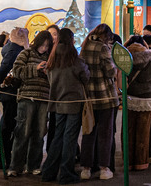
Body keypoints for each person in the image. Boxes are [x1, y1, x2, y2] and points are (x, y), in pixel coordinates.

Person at [40, 28, 89, 185]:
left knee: (57, 137)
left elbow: (48, 74)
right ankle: (66, 173)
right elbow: (85, 76)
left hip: (57, 103)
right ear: (71, 39)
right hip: (73, 103)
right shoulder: (74, 58)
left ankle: (48, 171)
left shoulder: (52, 58)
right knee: (70, 138)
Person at [9, 30, 53, 177]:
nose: (44, 48)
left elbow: (54, 79)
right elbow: (17, 71)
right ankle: (15, 166)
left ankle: (33, 165)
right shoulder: (26, 54)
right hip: (26, 97)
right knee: (22, 131)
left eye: (47, 46)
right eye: (43, 44)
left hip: (43, 98)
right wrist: (35, 68)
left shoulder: (51, 57)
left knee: (39, 132)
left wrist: (49, 74)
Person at [80, 23, 117, 180]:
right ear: (106, 36)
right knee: (105, 134)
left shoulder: (85, 45)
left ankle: (86, 169)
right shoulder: (103, 48)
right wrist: (115, 67)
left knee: (88, 132)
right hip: (105, 97)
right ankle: (104, 168)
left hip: (89, 97)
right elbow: (110, 71)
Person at [125, 40, 151, 170]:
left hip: (130, 98)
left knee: (128, 131)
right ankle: (141, 162)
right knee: (144, 132)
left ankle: (128, 162)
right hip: (147, 98)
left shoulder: (125, 60)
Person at [0, 27, 27, 171]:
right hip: (11, 93)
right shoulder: (15, 51)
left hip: (6, 93)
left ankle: (3, 156)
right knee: (9, 126)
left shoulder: (8, 49)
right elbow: (4, 69)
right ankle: (4, 157)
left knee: (7, 125)